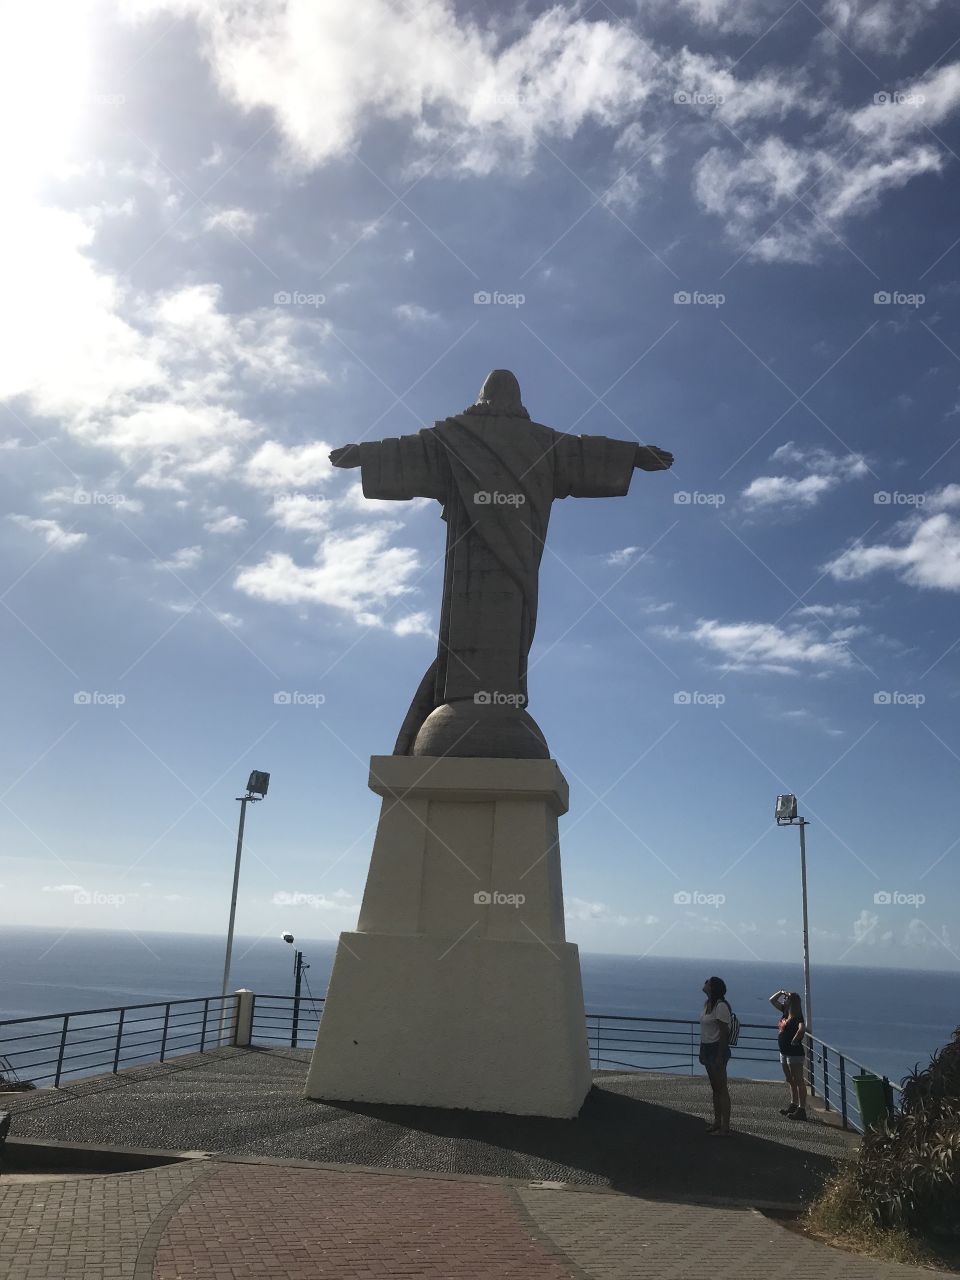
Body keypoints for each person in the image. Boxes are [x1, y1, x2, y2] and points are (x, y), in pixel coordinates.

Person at [699, 976, 732, 1135]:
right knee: (715, 1087)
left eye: (707, 981)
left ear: (713, 987)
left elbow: (724, 1033)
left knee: (721, 1088)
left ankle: (725, 1126)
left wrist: (720, 1056)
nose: (704, 983)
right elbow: (706, 1030)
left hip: (716, 1050)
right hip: (707, 1049)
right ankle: (717, 1122)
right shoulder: (708, 1004)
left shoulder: (720, 1007)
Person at [769, 989, 807, 1120]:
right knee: (790, 1079)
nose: (784, 999)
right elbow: (772, 1000)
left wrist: (795, 1040)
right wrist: (781, 992)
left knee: (798, 1080)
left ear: (792, 1002)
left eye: (787, 998)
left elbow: (802, 1029)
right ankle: (794, 1104)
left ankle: (802, 1109)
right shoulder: (785, 1012)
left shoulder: (797, 1016)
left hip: (794, 1053)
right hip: (784, 1052)